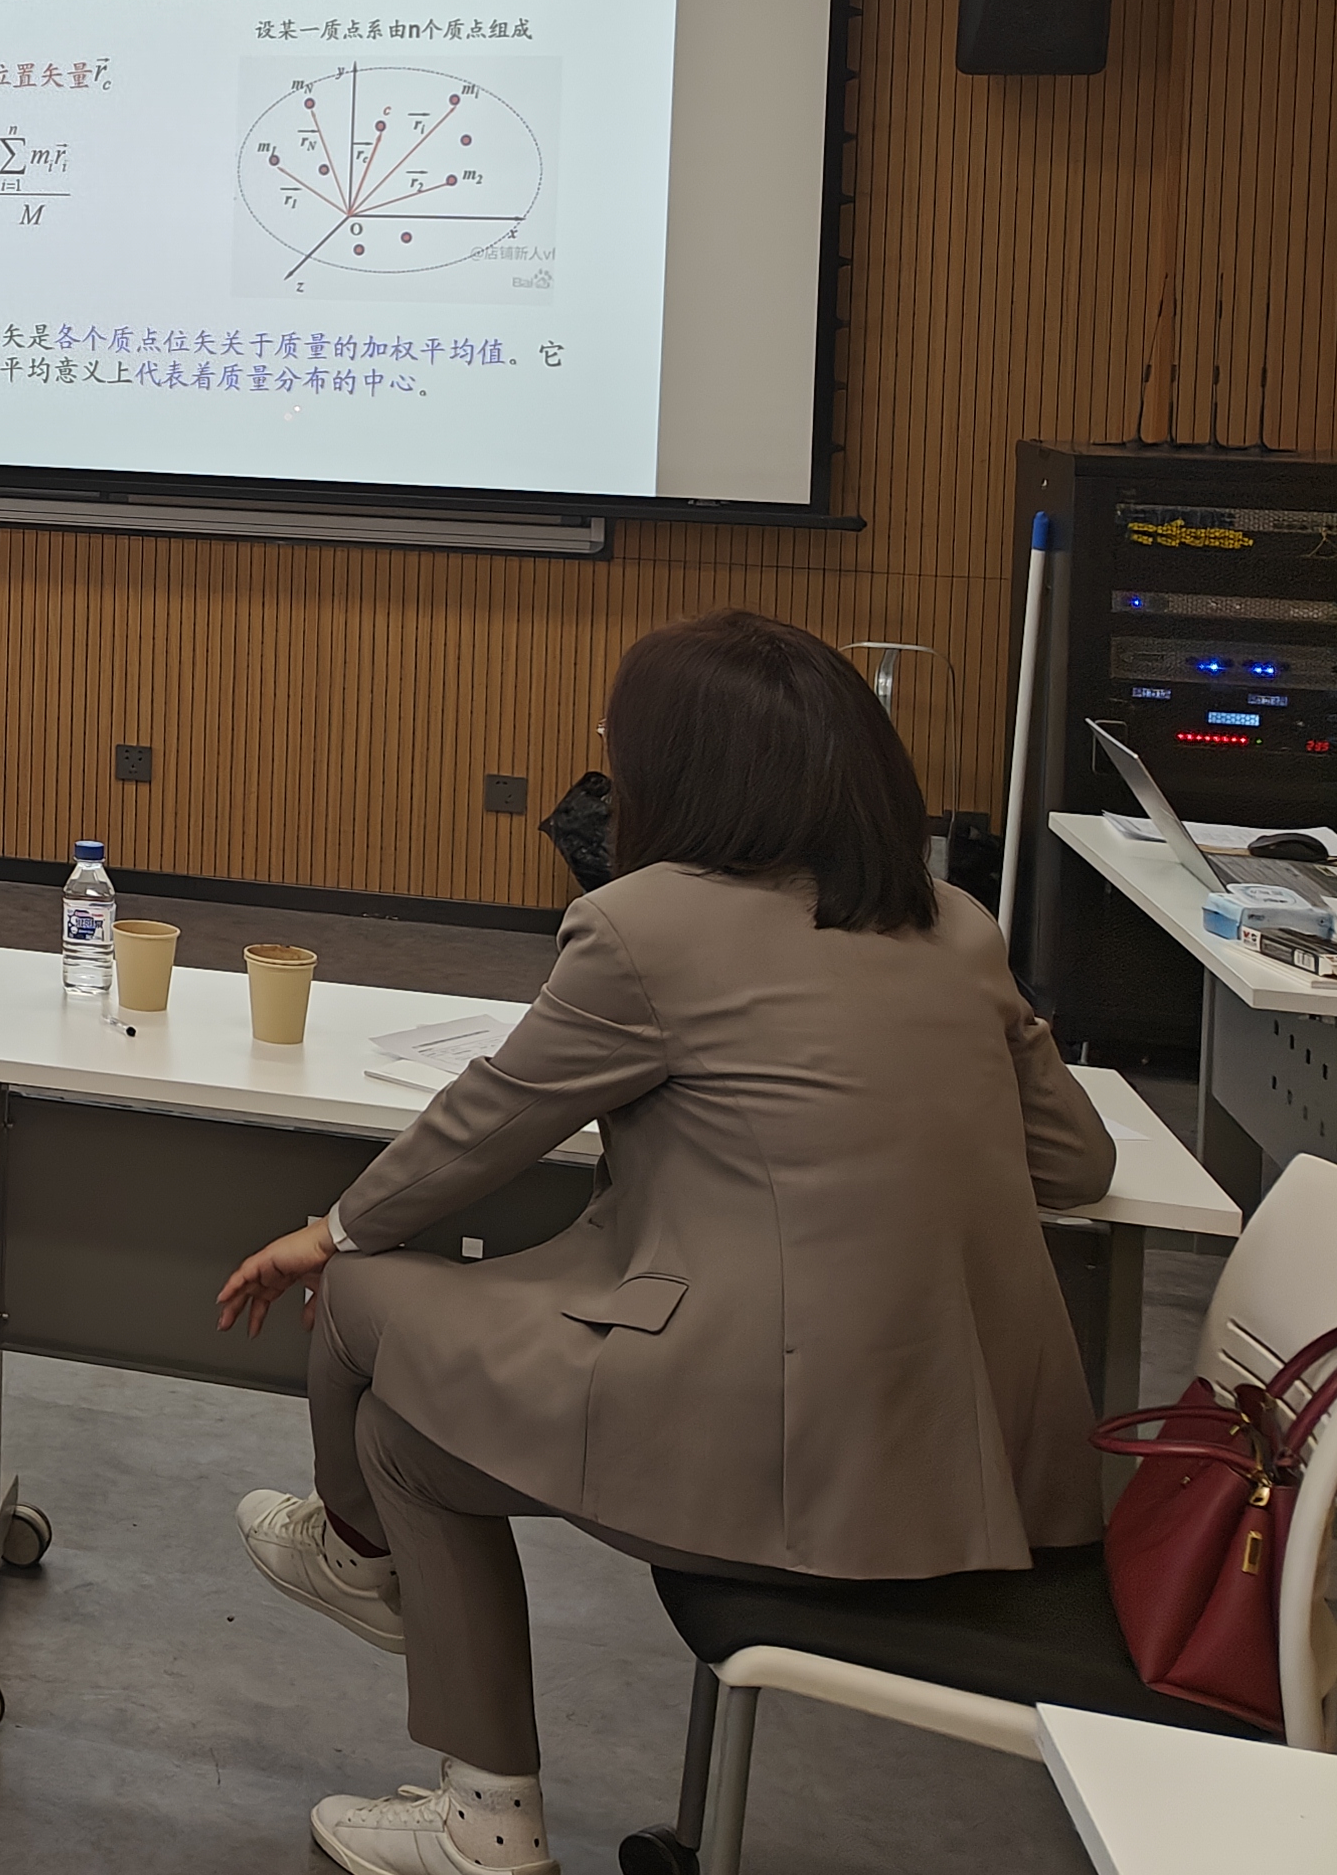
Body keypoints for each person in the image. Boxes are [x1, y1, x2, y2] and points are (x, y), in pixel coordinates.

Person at [214, 609, 1119, 1875]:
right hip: (955, 1480)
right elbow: (1077, 1168)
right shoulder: (956, 926)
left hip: (765, 1457)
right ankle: (483, 1820)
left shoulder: (645, 927)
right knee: (407, 1446)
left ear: (681, 773)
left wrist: (330, 1229)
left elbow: (492, 1120)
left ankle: (353, 1553)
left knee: (360, 1291)